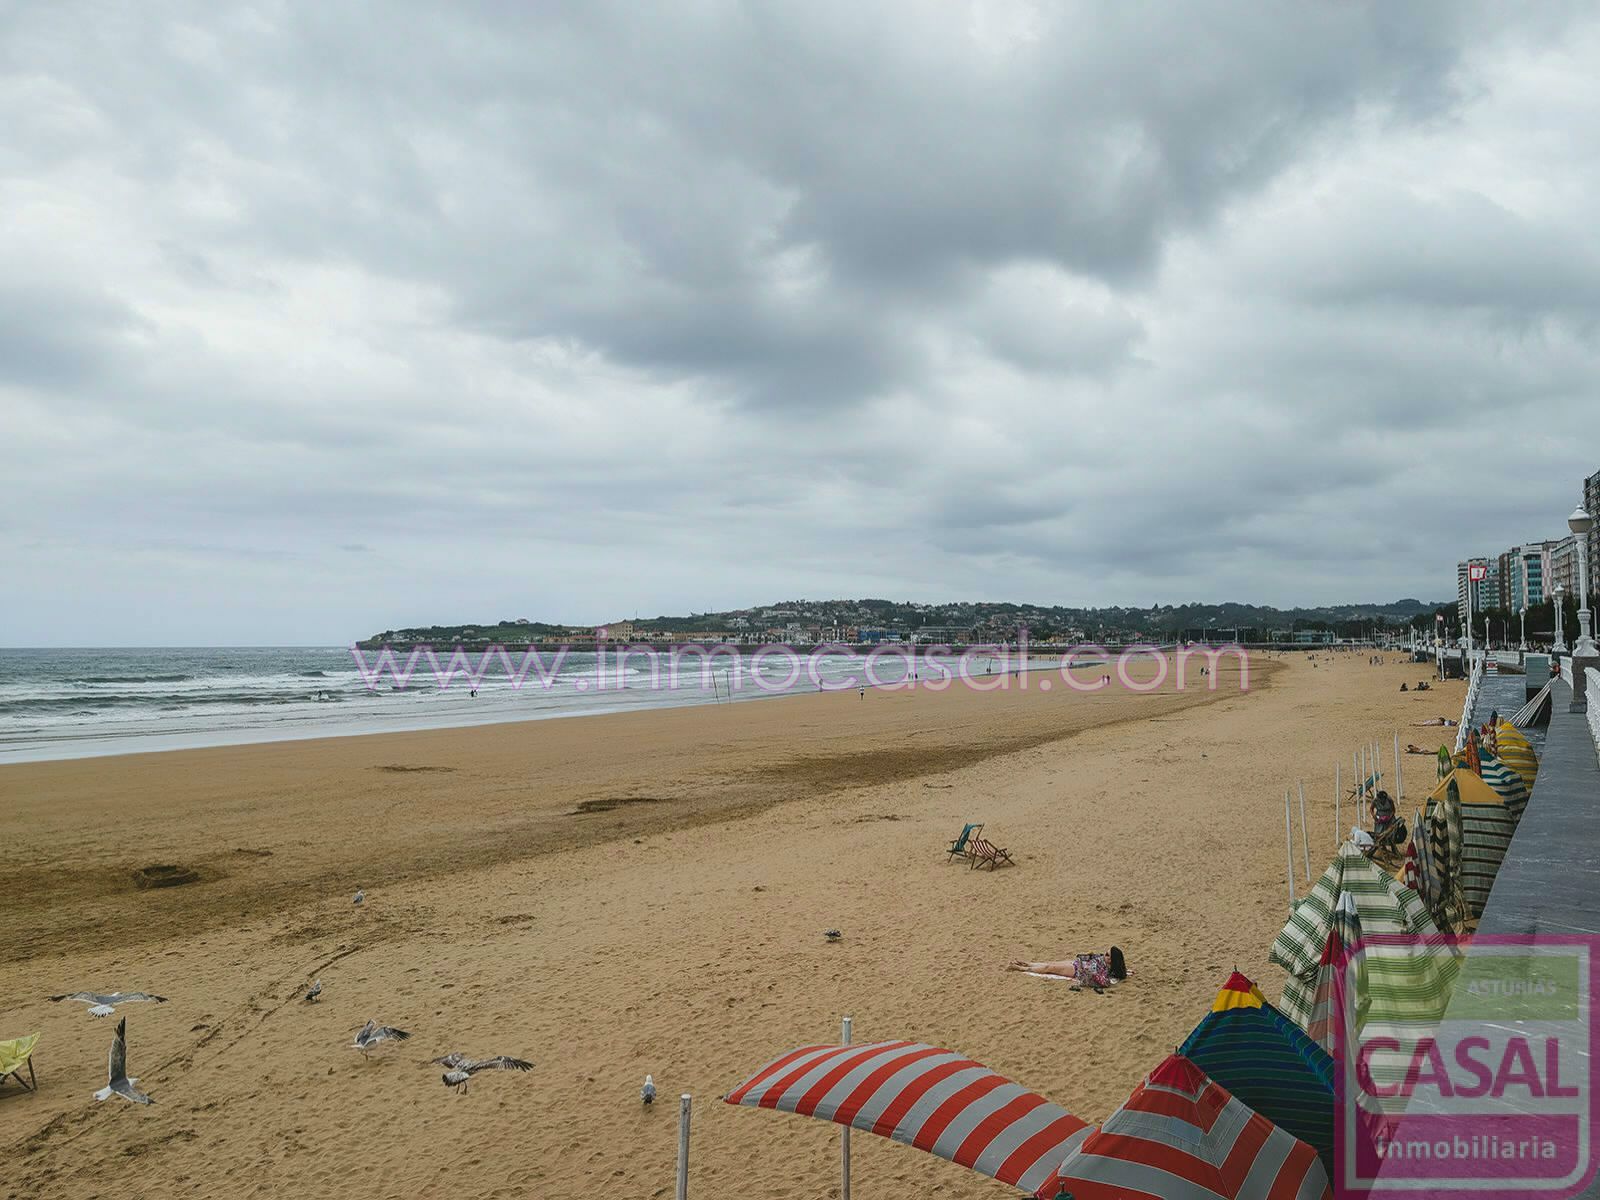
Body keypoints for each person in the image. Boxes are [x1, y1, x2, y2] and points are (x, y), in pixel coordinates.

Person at [1007, 947, 1127, 992]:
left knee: (1050, 968)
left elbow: (1103, 982)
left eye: (1107, 954)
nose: (1104, 954)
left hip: (1077, 970)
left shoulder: (1105, 971)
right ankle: (1027, 963)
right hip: (1077, 963)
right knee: (1050, 964)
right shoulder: (1104, 960)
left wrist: (1090, 969)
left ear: (1111, 960)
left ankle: (1020, 968)